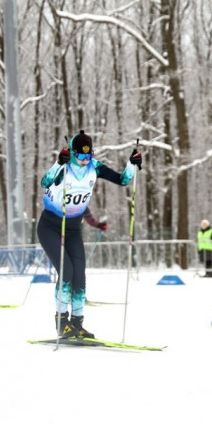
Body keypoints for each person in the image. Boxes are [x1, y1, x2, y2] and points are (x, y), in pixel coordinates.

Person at [38, 130, 140, 339]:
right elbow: (45, 182)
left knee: (79, 276)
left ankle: (77, 323)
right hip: (50, 226)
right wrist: (58, 163)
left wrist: (131, 164)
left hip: (73, 227)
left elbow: (123, 180)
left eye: (89, 156)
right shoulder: (65, 166)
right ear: (74, 153)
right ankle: (61, 322)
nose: (85, 161)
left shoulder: (95, 167)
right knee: (66, 272)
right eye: (81, 156)